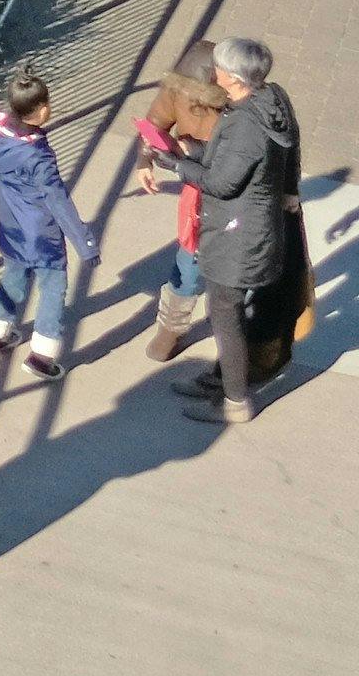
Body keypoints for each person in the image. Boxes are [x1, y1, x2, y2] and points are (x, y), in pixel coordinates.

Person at [0, 65, 95, 378]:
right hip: (42, 232)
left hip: (10, 224)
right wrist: (85, 243)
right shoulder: (38, 155)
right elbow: (57, 200)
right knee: (52, 285)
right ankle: (41, 356)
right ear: (39, 110)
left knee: (14, 273)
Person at [180, 36, 305, 430]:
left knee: (226, 314)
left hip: (238, 239)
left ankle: (236, 401)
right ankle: (222, 378)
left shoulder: (246, 127)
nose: (212, 72)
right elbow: (290, 146)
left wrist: (176, 164)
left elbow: (221, 184)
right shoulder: (274, 100)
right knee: (234, 311)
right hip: (261, 231)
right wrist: (289, 190)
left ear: (233, 79)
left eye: (217, 67)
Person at [128, 55, 227, 364]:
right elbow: (153, 126)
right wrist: (145, 161)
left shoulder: (236, 107)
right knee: (188, 261)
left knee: (231, 268)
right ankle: (172, 328)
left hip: (231, 193)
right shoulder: (175, 92)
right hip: (196, 191)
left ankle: (229, 329)